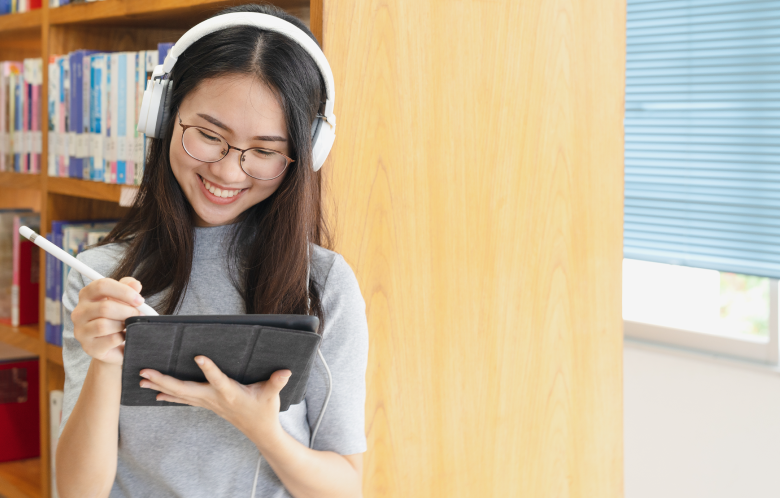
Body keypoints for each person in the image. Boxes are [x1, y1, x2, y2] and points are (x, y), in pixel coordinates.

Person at [55, 4, 368, 498]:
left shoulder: (323, 284)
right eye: (207, 135)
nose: (226, 171)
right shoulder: (102, 277)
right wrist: (105, 360)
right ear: (162, 115)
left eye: (264, 151)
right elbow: (77, 491)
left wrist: (260, 427)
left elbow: (344, 487)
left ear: (304, 155)